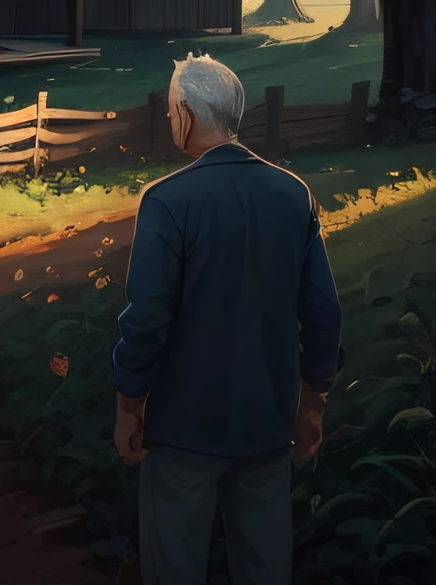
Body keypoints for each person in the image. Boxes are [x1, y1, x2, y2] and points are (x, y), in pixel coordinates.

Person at [112, 53, 342, 585]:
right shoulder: (293, 194)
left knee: (175, 565)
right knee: (265, 567)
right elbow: (324, 313)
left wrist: (130, 403)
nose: (171, 122)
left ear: (186, 114)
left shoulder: (167, 201)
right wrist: (312, 405)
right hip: (266, 420)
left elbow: (147, 318)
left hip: (182, 426)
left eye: (172, 112)